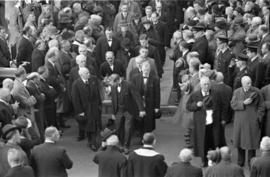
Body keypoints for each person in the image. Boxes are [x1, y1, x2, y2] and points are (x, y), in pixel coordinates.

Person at [186, 76, 226, 166]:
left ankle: (214, 159)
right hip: (201, 124)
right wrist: (196, 105)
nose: (207, 86)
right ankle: (204, 160)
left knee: (214, 141)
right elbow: (188, 106)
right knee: (203, 142)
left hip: (214, 123)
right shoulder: (195, 94)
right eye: (204, 84)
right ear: (200, 85)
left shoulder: (216, 93)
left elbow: (223, 106)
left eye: (208, 84)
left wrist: (223, 119)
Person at [231, 76, 265, 167]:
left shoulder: (257, 91)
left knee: (252, 144)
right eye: (247, 83)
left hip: (252, 122)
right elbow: (233, 105)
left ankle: (251, 163)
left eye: (250, 82)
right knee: (240, 142)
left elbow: (261, 106)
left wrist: (258, 118)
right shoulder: (237, 92)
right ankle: (240, 162)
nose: (250, 85)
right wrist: (243, 103)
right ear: (242, 83)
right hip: (240, 122)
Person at [110, 74, 145, 151]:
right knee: (118, 128)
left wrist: (141, 110)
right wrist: (113, 113)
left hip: (129, 111)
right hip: (118, 111)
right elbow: (113, 100)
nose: (112, 85)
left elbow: (137, 97)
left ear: (118, 80)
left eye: (113, 83)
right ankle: (121, 144)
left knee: (128, 129)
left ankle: (126, 146)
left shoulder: (129, 84)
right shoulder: (113, 86)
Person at [71, 67, 102, 151]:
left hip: (95, 107)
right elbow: (75, 99)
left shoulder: (93, 79)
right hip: (85, 109)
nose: (89, 74)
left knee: (95, 124)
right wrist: (80, 111)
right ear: (81, 75)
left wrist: (99, 105)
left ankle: (94, 142)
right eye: (87, 73)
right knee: (89, 125)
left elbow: (97, 93)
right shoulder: (76, 84)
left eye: (88, 72)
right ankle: (92, 142)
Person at [130, 61, 160, 133]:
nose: (146, 71)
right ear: (141, 68)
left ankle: (148, 137)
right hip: (138, 104)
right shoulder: (135, 78)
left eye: (148, 69)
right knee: (139, 121)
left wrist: (157, 107)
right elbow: (134, 93)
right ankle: (141, 136)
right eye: (145, 69)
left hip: (150, 104)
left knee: (149, 121)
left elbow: (157, 94)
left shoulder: (155, 79)